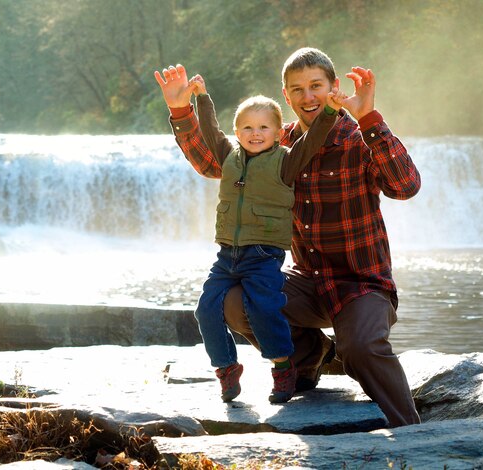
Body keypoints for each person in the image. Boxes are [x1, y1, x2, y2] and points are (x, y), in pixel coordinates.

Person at [155, 47, 421, 427]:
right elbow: (217, 163)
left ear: (333, 89)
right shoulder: (276, 144)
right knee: (236, 300)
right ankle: (307, 357)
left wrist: (369, 117)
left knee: (359, 349)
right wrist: (183, 111)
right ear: (286, 95)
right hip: (306, 282)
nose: (308, 97)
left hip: (362, 284)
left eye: (316, 86)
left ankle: (412, 430)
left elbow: (406, 186)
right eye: (297, 89)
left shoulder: (359, 137)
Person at [154, 69, 343, 403]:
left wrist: (330, 111)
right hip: (227, 255)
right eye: (247, 128)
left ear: (278, 131)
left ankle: (284, 367)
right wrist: (201, 97)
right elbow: (210, 132)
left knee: (263, 308)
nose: (255, 134)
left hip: (263, 254)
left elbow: (313, 140)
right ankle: (227, 369)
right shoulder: (229, 157)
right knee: (206, 310)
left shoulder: (286, 161)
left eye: (264, 127)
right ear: (237, 131)